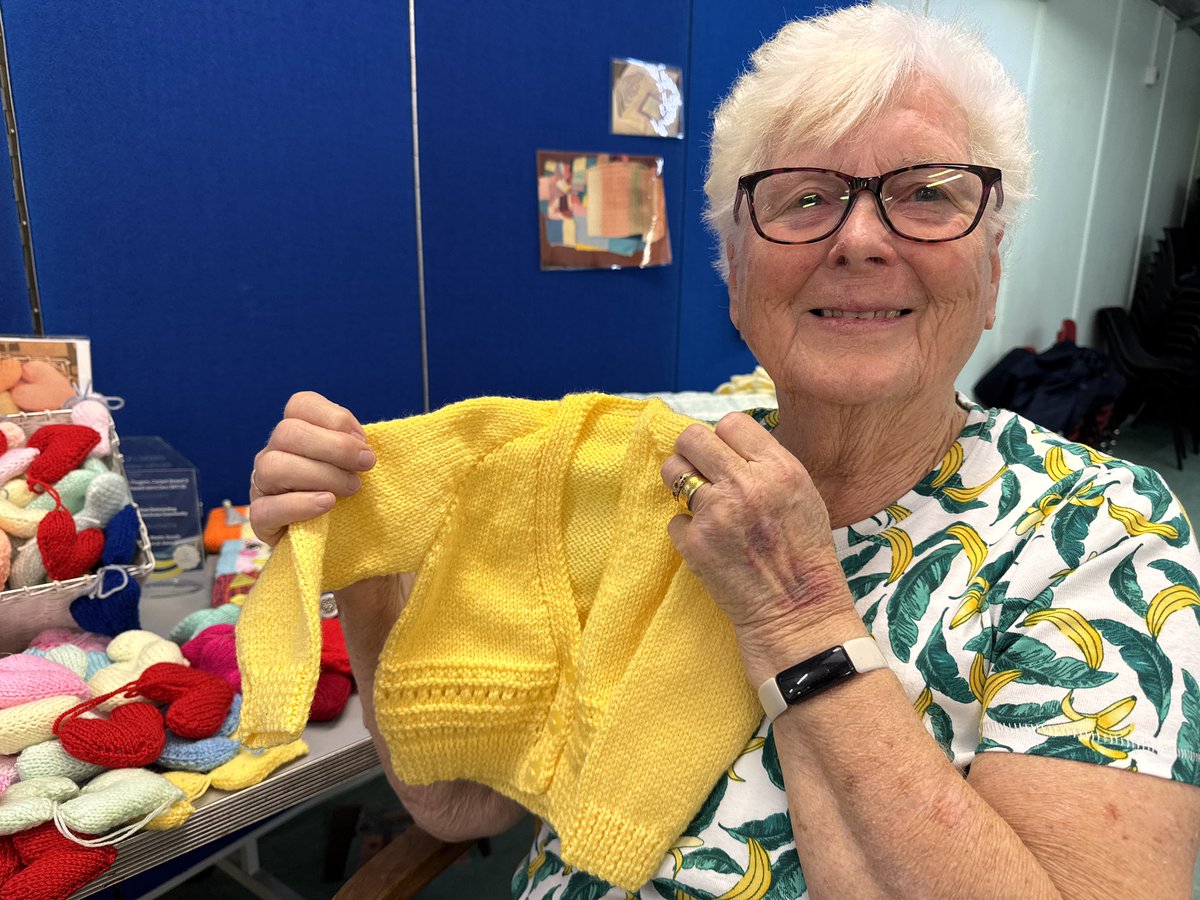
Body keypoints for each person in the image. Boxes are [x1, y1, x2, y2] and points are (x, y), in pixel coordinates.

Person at [247, 6, 1200, 897]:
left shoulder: (1100, 536)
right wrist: (363, 560)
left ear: (990, 273)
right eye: (804, 198)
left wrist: (796, 613)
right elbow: (462, 803)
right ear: (736, 277)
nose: (860, 239)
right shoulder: (642, 487)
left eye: (927, 194)